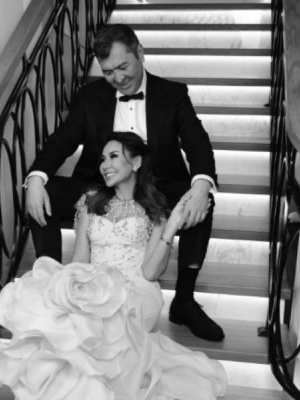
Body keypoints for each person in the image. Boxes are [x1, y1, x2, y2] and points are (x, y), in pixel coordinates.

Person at [24, 24, 224, 342]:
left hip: (156, 186)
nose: (117, 78)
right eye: (108, 72)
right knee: (41, 192)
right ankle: (52, 289)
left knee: (201, 199)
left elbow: (197, 143)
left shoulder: (172, 94)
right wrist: (36, 177)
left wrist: (201, 186)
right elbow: (63, 139)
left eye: (122, 67)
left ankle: (184, 301)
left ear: (140, 53)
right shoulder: (89, 97)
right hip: (101, 185)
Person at [0, 132, 227, 399]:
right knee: (65, 320)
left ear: (136, 162)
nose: (105, 165)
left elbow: (150, 272)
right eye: (103, 159)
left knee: (104, 323)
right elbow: (79, 261)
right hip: (96, 286)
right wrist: (70, 289)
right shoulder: (90, 203)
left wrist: (171, 225)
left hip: (138, 290)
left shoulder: (155, 209)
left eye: (114, 156)